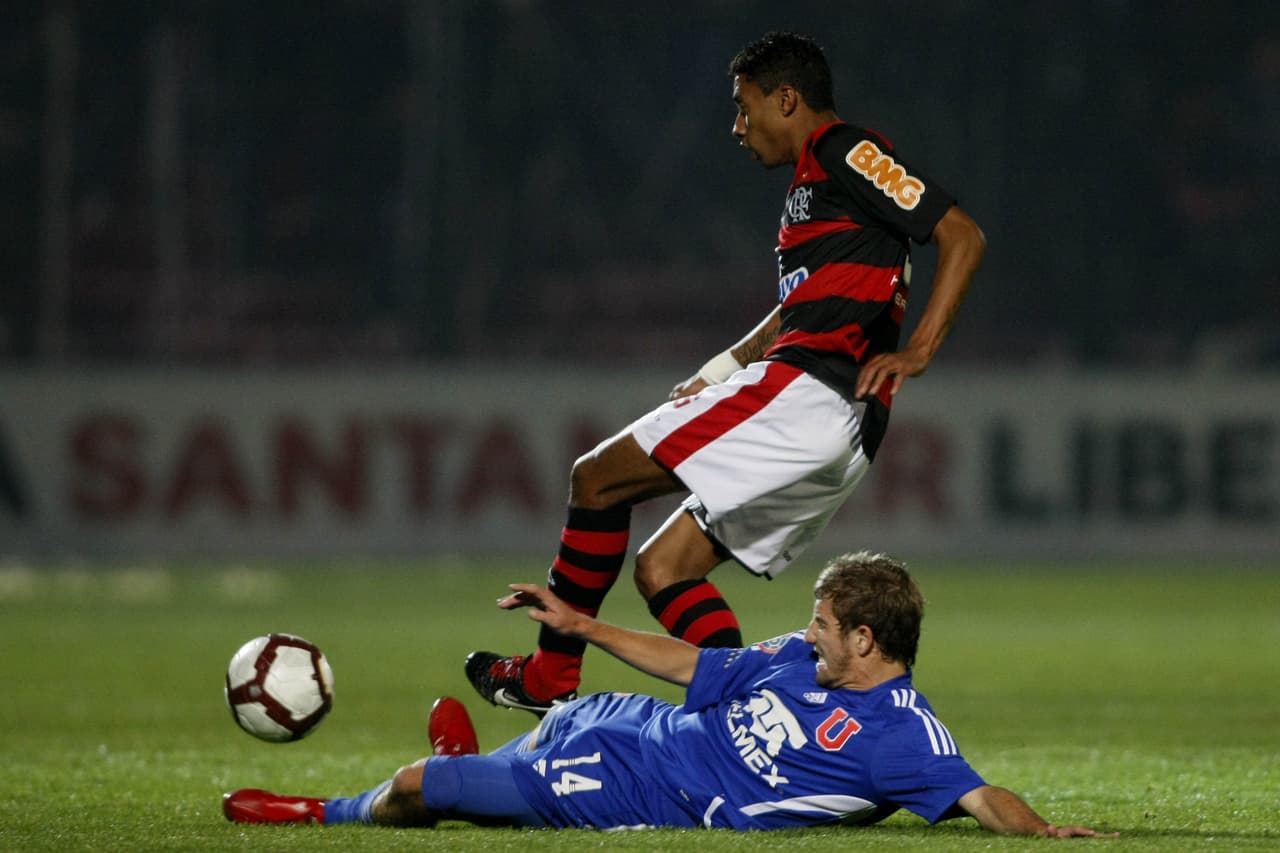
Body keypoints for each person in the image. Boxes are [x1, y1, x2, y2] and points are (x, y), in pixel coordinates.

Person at [464, 30, 987, 716]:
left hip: (810, 392)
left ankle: (548, 675)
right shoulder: (816, 186)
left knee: (596, 478)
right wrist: (720, 369)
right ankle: (735, 721)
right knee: (663, 569)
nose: (738, 127)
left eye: (745, 108)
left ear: (788, 98)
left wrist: (918, 350)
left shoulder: (844, 150)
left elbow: (961, 234)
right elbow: (795, 309)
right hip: (837, 420)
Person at [224, 552, 1114, 837]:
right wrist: (584, 626)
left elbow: (977, 794)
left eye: (822, 623)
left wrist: (1046, 832)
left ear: (867, 640)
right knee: (543, 731)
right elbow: (693, 665)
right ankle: (494, 750)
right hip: (624, 719)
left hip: (645, 789)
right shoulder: (800, 661)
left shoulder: (900, 737)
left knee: (431, 787)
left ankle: (319, 811)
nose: (806, 632)